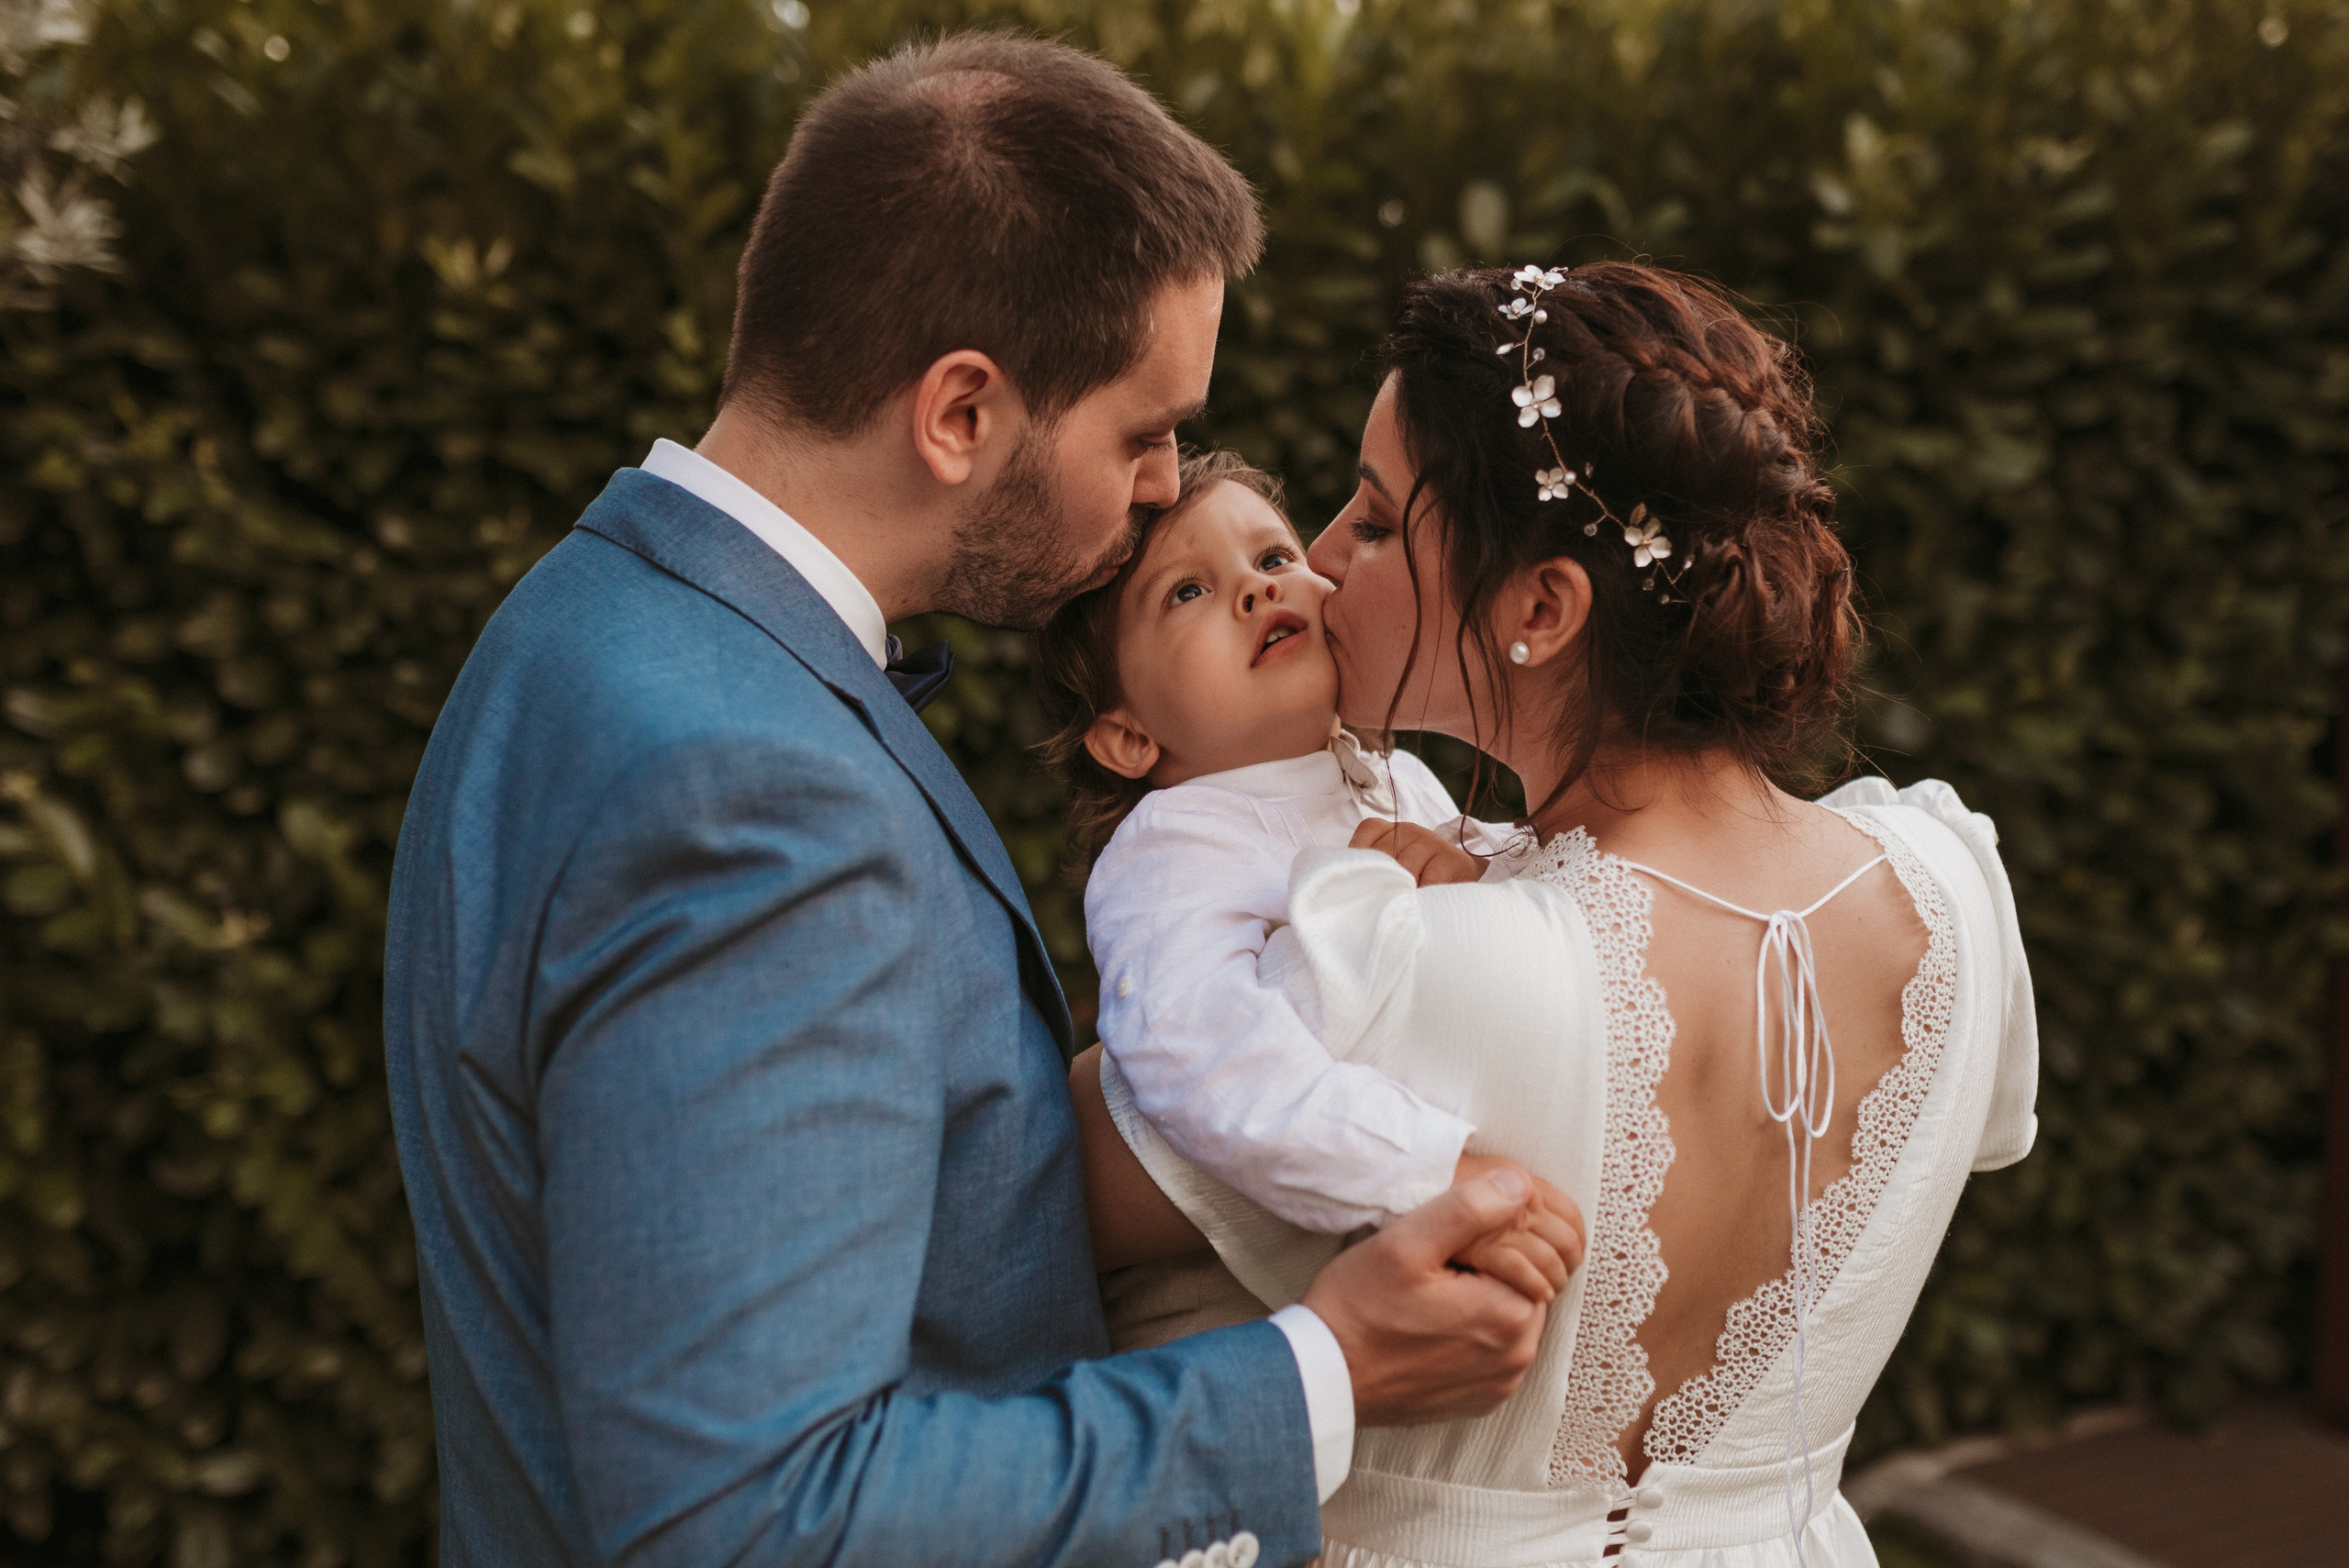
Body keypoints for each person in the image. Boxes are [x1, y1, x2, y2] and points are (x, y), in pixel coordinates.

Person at [381, 33, 1584, 1568]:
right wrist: (1321, 1374)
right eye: (1141, 431)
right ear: (960, 412)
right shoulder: (748, 791)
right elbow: (747, 1521)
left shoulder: (585, 621)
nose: (1166, 486)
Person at [1079, 261, 2041, 1566]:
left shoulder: (1410, 962)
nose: (1321, 562)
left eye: (1375, 519)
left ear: (1541, 607)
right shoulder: (1952, 886)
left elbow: (1024, 1192)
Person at [1029, 449, 1568, 1351]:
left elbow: (1514, 912)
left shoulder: (1392, 774)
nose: (1255, 589)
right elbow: (1203, 1058)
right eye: (1187, 592)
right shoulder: (1173, 846)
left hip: (1343, 1247)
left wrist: (1461, 875)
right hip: (1214, 1291)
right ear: (1127, 735)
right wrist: (1424, 1172)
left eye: (1274, 557)